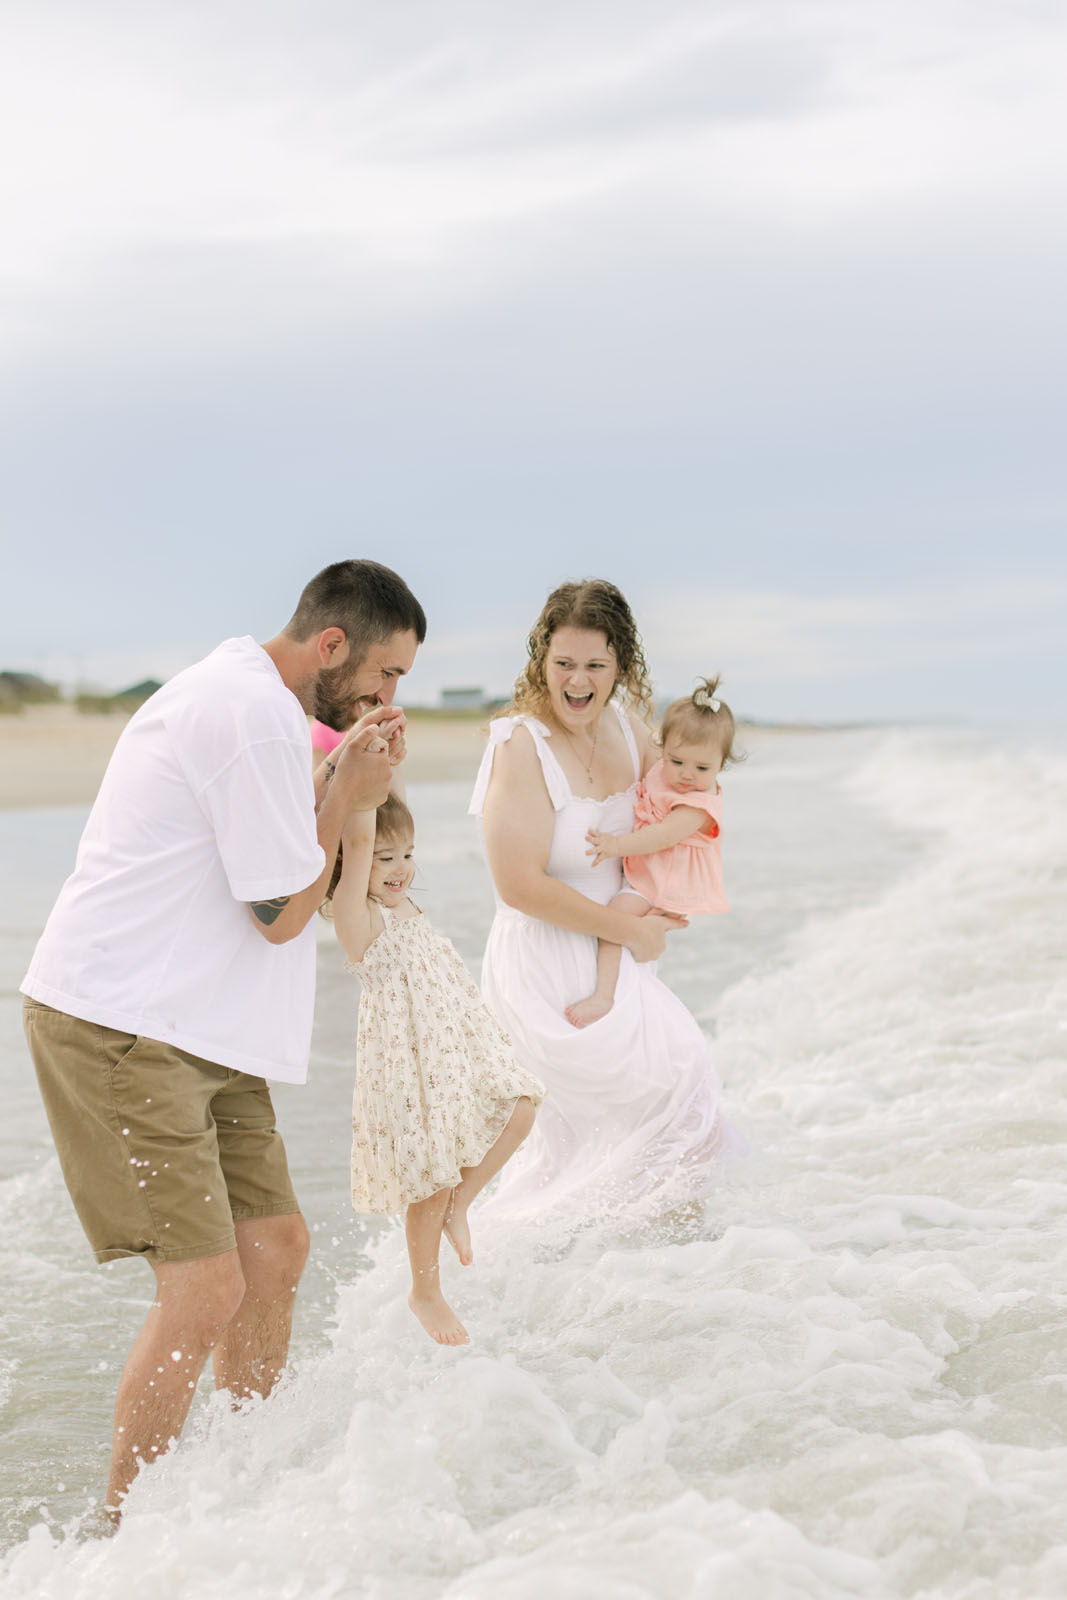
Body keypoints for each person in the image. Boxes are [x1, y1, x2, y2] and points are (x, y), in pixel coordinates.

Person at [20, 558, 426, 1515]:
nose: (389, 694)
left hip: (205, 1030)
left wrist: (341, 777)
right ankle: (125, 1539)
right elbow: (282, 909)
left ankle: (240, 1492)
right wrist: (351, 792)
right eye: (388, 673)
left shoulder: (276, 716)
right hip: (122, 1025)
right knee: (204, 1288)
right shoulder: (243, 713)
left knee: (277, 1248)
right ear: (332, 645)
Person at [469, 579, 732, 1220]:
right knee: (577, 1149)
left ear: (621, 666)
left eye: (595, 665)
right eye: (564, 663)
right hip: (546, 956)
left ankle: (664, 1292)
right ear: (542, 660)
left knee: (685, 1110)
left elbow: (682, 801)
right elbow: (519, 885)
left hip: (617, 950)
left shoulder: (626, 726)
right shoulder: (518, 744)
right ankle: (529, 1275)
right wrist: (637, 934)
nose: (578, 681)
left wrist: (667, 898)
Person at [326, 792, 543, 1347]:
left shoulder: (402, 905)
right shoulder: (357, 912)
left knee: (520, 1108)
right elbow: (354, 836)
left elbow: (378, 810)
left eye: (407, 854)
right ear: (353, 863)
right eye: (384, 857)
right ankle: (425, 1290)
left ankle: (460, 1208)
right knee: (431, 1174)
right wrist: (360, 772)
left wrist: (382, 769)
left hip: (452, 1045)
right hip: (406, 1061)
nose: (401, 869)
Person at [566, 676, 736, 1029]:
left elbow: (660, 836)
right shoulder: (664, 771)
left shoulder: (699, 806)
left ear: (722, 765)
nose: (687, 775)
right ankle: (643, 950)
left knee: (614, 918)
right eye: (677, 762)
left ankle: (604, 995)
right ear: (664, 749)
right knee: (629, 929)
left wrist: (616, 845)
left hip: (666, 882)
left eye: (702, 768)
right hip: (651, 874)